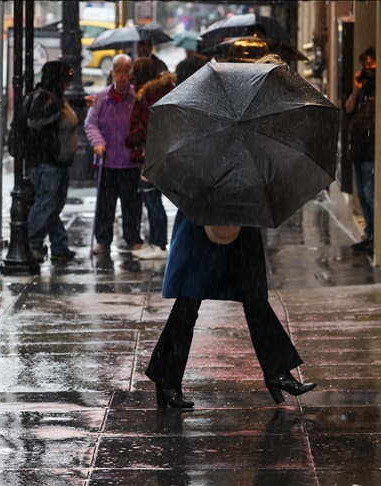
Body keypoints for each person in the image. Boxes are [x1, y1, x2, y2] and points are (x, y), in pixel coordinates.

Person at [144, 55, 316, 409]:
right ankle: (166, 378)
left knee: (254, 298)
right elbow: (181, 166)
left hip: (242, 217)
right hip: (203, 220)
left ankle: (277, 371)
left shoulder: (261, 123)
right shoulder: (209, 114)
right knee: (189, 302)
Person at [84, 54, 144, 254]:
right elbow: (90, 124)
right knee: (105, 205)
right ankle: (102, 240)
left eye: (125, 72)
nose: (122, 76)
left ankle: (132, 237)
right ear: (112, 73)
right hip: (106, 162)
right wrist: (98, 143)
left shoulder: (137, 97)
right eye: (118, 71)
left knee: (132, 205)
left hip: (129, 162)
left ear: (130, 75)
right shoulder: (101, 97)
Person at [25, 61, 78, 263]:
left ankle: (58, 245)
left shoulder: (56, 97)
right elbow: (36, 121)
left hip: (58, 163)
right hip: (47, 164)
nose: (68, 85)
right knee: (45, 204)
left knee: (53, 205)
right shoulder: (45, 99)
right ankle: (32, 244)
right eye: (66, 80)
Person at [125, 58, 175, 260]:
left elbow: (146, 125)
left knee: (152, 200)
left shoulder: (148, 95)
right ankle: (157, 242)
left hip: (150, 154)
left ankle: (158, 243)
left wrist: (131, 138)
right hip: (161, 151)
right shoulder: (165, 90)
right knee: (153, 200)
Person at [344, 47, 377, 256]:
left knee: (370, 194)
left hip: (371, 149)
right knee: (363, 196)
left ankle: (375, 237)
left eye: (370, 65)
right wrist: (356, 89)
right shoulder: (362, 87)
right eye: (364, 65)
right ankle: (369, 234)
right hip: (357, 148)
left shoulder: (379, 88)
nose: (366, 69)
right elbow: (348, 108)